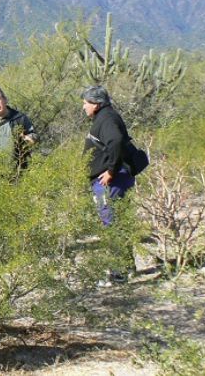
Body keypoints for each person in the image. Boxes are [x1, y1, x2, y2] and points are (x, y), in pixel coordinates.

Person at [82, 86, 136, 284]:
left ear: (96, 104)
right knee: (119, 221)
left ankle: (118, 272)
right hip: (116, 179)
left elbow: (115, 140)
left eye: (86, 102)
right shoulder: (106, 116)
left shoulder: (107, 119)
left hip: (112, 180)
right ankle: (126, 266)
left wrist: (111, 170)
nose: (84, 106)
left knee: (111, 223)